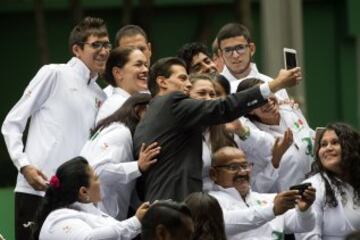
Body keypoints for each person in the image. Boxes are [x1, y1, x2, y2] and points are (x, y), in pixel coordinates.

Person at [133, 56, 302, 202]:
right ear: (162, 82)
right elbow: (224, 107)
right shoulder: (172, 102)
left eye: (212, 94)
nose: (187, 85)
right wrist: (275, 85)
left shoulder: (147, 120)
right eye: (183, 79)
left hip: (161, 208)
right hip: (176, 210)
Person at [1, 16, 110, 239]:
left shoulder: (100, 95)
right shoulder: (54, 73)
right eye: (96, 44)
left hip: (74, 199)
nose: (104, 51)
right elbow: (12, 123)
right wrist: (24, 166)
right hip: (36, 190)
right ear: (77, 49)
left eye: (107, 44)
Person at [81, 93, 160, 220]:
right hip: (100, 217)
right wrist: (138, 167)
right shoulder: (120, 133)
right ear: (138, 110)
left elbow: (125, 184)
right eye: (153, 114)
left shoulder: (109, 128)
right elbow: (98, 171)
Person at [209, 146, 316, 239]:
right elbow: (225, 223)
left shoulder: (270, 200)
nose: (242, 172)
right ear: (214, 174)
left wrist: (305, 210)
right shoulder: (211, 201)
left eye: (245, 166)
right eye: (233, 167)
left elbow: (304, 226)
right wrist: (272, 210)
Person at [31, 157, 149, 240]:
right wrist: (135, 222)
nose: (100, 182)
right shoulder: (57, 219)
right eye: (96, 178)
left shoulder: (89, 211)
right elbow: (89, 238)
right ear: (83, 191)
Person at [237, 78, 315, 192]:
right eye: (259, 101)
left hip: (317, 187)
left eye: (268, 94)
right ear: (250, 110)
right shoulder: (254, 142)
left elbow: (310, 135)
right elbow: (256, 187)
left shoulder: (291, 110)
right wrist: (274, 162)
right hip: (289, 201)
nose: (268, 101)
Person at [296, 123, 360, 240]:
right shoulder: (312, 187)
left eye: (335, 142)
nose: (328, 148)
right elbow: (308, 237)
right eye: (323, 145)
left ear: (351, 147)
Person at [216, 22, 289, 100]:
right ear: (220, 54)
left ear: (252, 49)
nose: (235, 55)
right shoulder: (214, 88)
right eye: (228, 50)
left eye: (240, 48)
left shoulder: (271, 83)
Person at [96, 47, 149, 122]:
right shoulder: (113, 107)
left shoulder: (143, 102)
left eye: (146, 65)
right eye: (138, 65)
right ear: (118, 73)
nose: (145, 70)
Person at [104, 24, 152, 97]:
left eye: (141, 49)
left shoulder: (163, 90)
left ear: (149, 49)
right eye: (129, 51)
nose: (138, 54)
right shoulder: (105, 97)